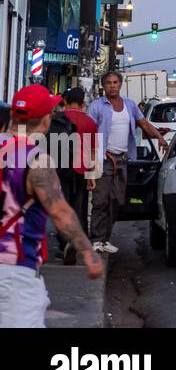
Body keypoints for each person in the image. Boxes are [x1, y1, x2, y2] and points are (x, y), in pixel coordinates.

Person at [1, 85, 103, 327]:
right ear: (46, 120)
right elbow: (59, 212)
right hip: (15, 271)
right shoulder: (36, 160)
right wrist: (88, 252)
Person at [88, 70, 170, 253]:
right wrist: (90, 161)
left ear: (120, 84)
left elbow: (144, 125)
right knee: (101, 200)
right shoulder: (96, 106)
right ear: (103, 86)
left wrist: (160, 139)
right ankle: (96, 239)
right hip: (104, 158)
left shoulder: (130, 105)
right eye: (108, 83)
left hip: (123, 160)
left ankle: (105, 238)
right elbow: (88, 132)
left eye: (115, 82)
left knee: (117, 200)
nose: (112, 86)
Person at [50, 88, 99, 265]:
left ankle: (65, 243)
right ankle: (77, 243)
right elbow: (93, 151)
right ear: (82, 102)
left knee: (61, 207)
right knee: (80, 208)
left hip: (60, 170)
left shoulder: (57, 120)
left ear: (65, 101)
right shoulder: (90, 122)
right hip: (81, 170)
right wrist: (92, 176)